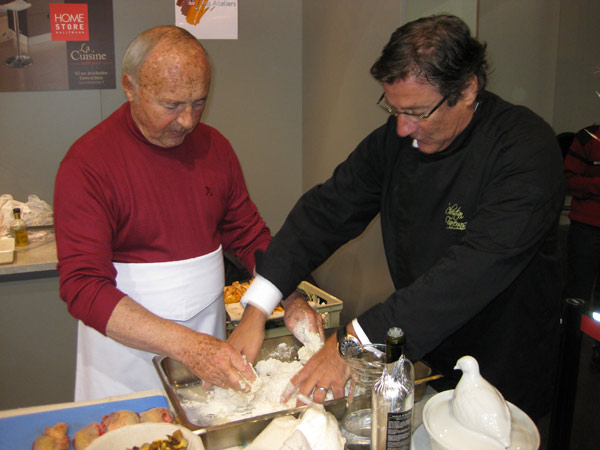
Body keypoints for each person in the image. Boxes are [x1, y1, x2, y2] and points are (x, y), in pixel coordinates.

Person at [230, 15, 565, 422]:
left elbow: (472, 271)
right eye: (394, 109)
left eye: (418, 112)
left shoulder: (524, 150)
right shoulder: (395, 141)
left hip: (502, 363)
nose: (403, 128)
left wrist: (351, 343)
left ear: (467, 89)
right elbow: (325, 212)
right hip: (419, 351)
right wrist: (259, 307)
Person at [54, 26, 272, 401]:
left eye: (199, 102)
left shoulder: (215, 149)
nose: (187, 121)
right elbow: (83, 286)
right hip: (125, 360)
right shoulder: (88, 163)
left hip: (209, 339)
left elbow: (250, 235)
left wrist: (290, 294)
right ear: (130, 87)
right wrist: (187, 346)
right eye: (171, 105)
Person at [563, 124, 600, 370]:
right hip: (587, 227)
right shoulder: (588, 138)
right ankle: (567, 345)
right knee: (578, 291)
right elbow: (567, 180)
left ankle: (597, 348)